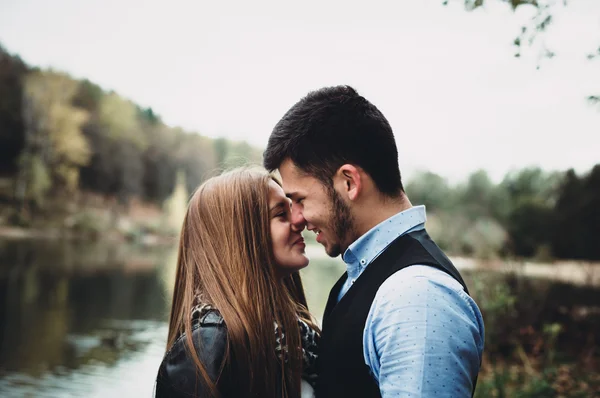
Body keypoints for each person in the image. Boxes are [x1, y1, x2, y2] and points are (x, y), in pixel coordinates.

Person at [264, 85, 484, 398]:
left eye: (300, 199)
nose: (297, 218)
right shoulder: (362, 278)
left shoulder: (415, 297)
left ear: (349, 182)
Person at [155, 168, 320, 398]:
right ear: (241, 236)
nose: (299, 220)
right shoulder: (209, 349)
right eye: (281, 214)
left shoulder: (295, 337)